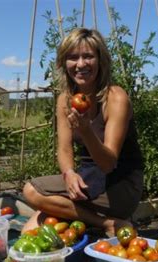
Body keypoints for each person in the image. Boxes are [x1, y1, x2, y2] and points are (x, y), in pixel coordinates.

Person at [22, 28, 143, 236]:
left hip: (120, 183)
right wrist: (68, 173)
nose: (80, 64)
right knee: (29, 232)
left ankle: (104, 221)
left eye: (88, 56)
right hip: (87, 177)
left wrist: (86, 130)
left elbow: (108, 163)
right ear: (64, 62)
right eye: (72, 57)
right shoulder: (65, 100)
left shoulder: (115, 98)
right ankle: (104, 222)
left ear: (100, 60)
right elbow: (64, 149)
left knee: (31, 191)